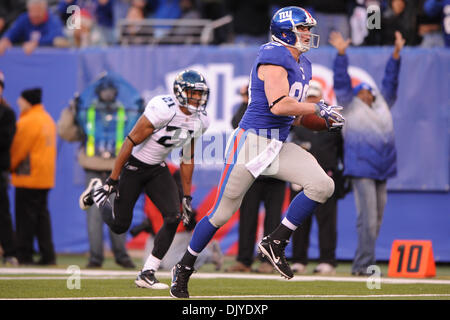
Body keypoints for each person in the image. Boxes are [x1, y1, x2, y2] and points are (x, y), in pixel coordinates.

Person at [169, 6, 345, 299]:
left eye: (308, 28)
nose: (308, 33)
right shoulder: (274, 55)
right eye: (303, 28)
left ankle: (276, 241)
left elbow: (296, 117)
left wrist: (323, 121)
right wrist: (317, 106)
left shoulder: (304, 64)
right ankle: (184, 267)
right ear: (287, 31)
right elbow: (278, 104)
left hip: (276, 145)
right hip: (251, 143)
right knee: (221, 214)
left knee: (323, 185)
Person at [79, 69, 210, 289]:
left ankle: (148, 272)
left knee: (173, 216)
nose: (197, 98)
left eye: (200, 94)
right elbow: (129, 142)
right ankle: (97, 192)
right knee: (120, 226)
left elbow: (187, 158)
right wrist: (112, 179)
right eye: (192, 93)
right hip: (133, 166)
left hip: (157, 169)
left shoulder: (200, 121)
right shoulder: (162, 110)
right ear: (180, 93)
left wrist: (187, 196)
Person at [330, 30, 404, 276]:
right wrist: (341, 54)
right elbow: (341, 81)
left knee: (376, 220)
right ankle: (363, 265)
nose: (365, 94)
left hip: (382, 169)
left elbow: (390, 83)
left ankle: (363, 263)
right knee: (368, 220)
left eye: (368, 92)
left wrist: (396, 55)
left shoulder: (383, 104)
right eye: (360, 92)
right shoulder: (350, 107)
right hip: (361, 170)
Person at [57, 73, 140, 269]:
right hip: (94, 169)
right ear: (98, 92)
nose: (108, 94)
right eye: (105, 90)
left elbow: (135, 134)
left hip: (116, 171)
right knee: (94, 216)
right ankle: (96, 257)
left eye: (111, 90)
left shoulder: (122, 110)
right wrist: (71, 110)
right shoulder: (88, 110)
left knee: (118, 214)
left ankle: (121, 255)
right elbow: (67, 132)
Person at [288, 80, 346, 275]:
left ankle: (327, 260)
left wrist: (339, 173)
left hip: (326, 175)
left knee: (327, 221)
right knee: (299, 220)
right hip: (300, 176)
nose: (312, 102)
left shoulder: (330, 120)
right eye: (309, 98)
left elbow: (340, 149)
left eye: (315, 98)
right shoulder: (296, 120)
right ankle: (298, 259)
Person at [226, 84, 285, 274]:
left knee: (273, 220)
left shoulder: (280, 103)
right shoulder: (253, 108)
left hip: (275, 170)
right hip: (252, 170)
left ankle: (268, 261)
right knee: (247, 217)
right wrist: (246, 101)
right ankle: (244, 260)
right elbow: (236, 123)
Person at [10, 88, 57, 265]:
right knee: (41, 218)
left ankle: (25, 255)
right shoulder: (47, 119)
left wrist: (8, 166)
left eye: (20, 100)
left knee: (25, 219)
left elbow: (17, 151)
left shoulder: (27, 121)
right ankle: (48, 255)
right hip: (44, 177)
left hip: (28, 177)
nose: (18, 103)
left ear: (28, 101)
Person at [0, 0, 69, 56]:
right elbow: (13, 31)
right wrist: (6, 39)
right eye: (32, 12)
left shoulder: (53, 20)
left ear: (44, 11)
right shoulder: (24, 18)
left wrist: (37, 43)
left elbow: (57, 36)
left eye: (38, 12)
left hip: (47, 59)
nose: (34, 15)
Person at [0, 71, 18, 266]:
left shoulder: (7, 113)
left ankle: (9, 252)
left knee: (3, 213)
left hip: (0, 170)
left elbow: (5, 140)